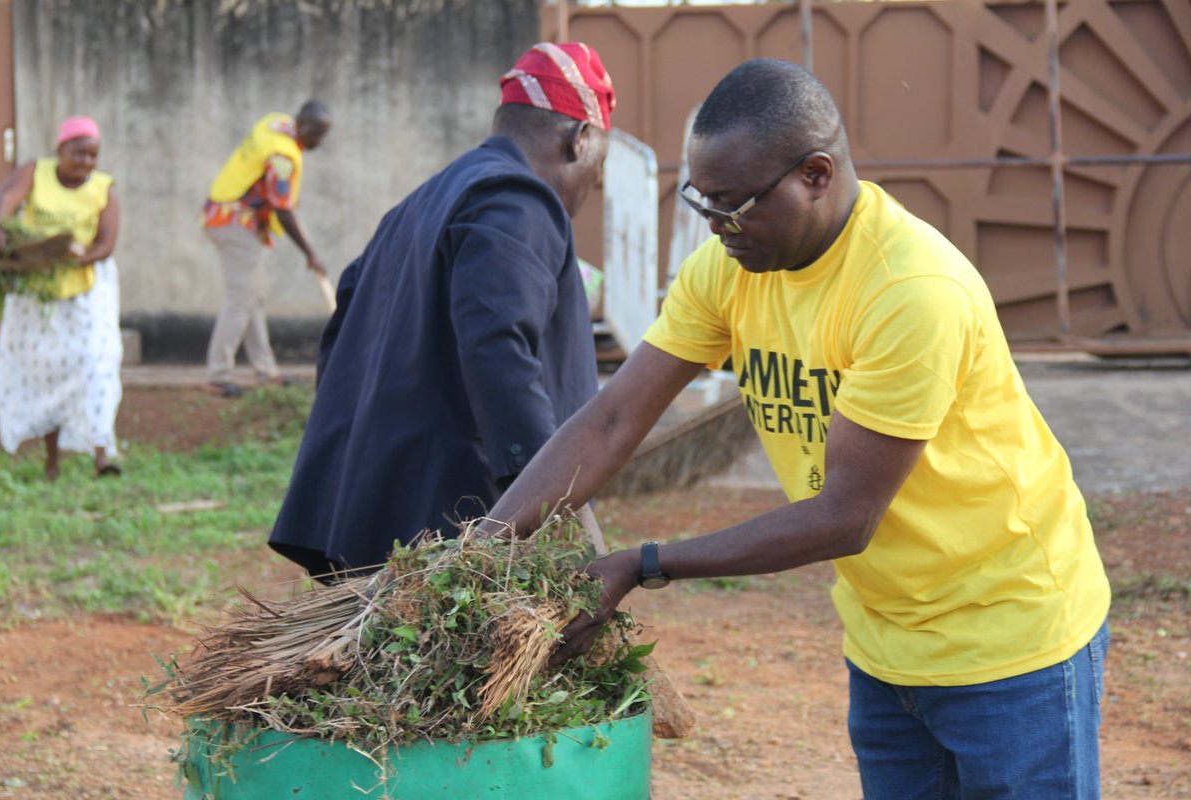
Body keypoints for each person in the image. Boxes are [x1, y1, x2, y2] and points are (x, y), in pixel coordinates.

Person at [483, 59, 1111, 799]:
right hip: (886, 644)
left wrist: (639, 564)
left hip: (1012, 645)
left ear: (815, 174)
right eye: (701, 202)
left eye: (732, 204)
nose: (716, 226)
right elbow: (617, 416)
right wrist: (484, 543)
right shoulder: (732, 268)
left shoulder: (910, 290)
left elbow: (846, 517)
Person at [267, 43, 615, 578]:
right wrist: (552, 500)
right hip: (451, 526)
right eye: (602, 162)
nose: (597, 180)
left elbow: (340, 335)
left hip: (374, 511)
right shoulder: (518, 199)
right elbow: (498, 347)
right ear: (579, 138)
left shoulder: (418, 205)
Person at [0, 116, 123, 480]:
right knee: (46, 369)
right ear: (60, 149)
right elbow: (5, 198)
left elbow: (106, 245)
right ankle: (52, 462)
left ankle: (102, 454)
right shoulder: (35, 172)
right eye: (78, 153)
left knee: (97, 363)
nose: (85, 162)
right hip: (37, 291)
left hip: (83, 289)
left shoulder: (103, 188)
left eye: (92, 155)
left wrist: (69, 258)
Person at [201, 100, 331, 397]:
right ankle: (218, 375)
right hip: (234, 222)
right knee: (240, 298)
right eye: (318, 135)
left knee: (253, 297)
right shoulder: (282, 158)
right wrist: (310, 253)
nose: (320, 142)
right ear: (305, 126)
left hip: (226, 214)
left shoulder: (277, 123)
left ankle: (265, 370)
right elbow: (283, 210)